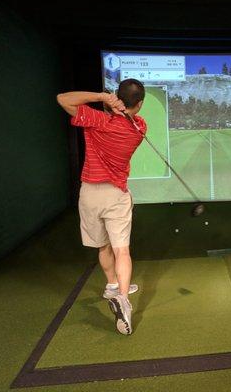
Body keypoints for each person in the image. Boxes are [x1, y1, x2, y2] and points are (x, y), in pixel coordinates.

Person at [56, 79, 147, 335]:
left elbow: (63, 98)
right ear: (139, 104)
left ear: (116, 97)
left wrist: (101, 97)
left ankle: (112, 285)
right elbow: (127, 117)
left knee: (103, 246)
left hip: (89, 194)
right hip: (115, 195)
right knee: (122, 251)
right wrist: (115, 107)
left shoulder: (97, 120)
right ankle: (123, 299)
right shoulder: (139, 127)